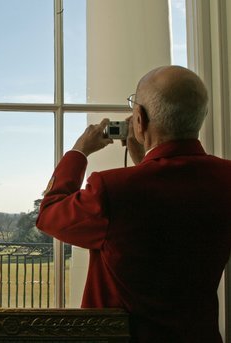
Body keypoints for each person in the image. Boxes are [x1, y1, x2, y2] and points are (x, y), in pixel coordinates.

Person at [36, 65, 231, 342]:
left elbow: (49, 215)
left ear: (138, 120)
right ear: (200, 117)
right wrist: (147, 160)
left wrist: (79, 151)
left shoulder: (112, 189)